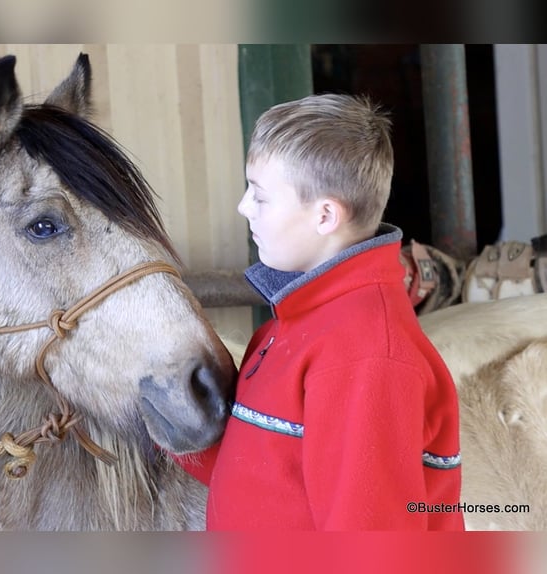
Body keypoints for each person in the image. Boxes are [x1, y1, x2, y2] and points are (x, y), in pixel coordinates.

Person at [177, 93, 464, 530]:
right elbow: (258, 475)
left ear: (326, 215)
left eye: (260, 195)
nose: (243, 208)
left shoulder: (365, 357)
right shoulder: (292, 324)